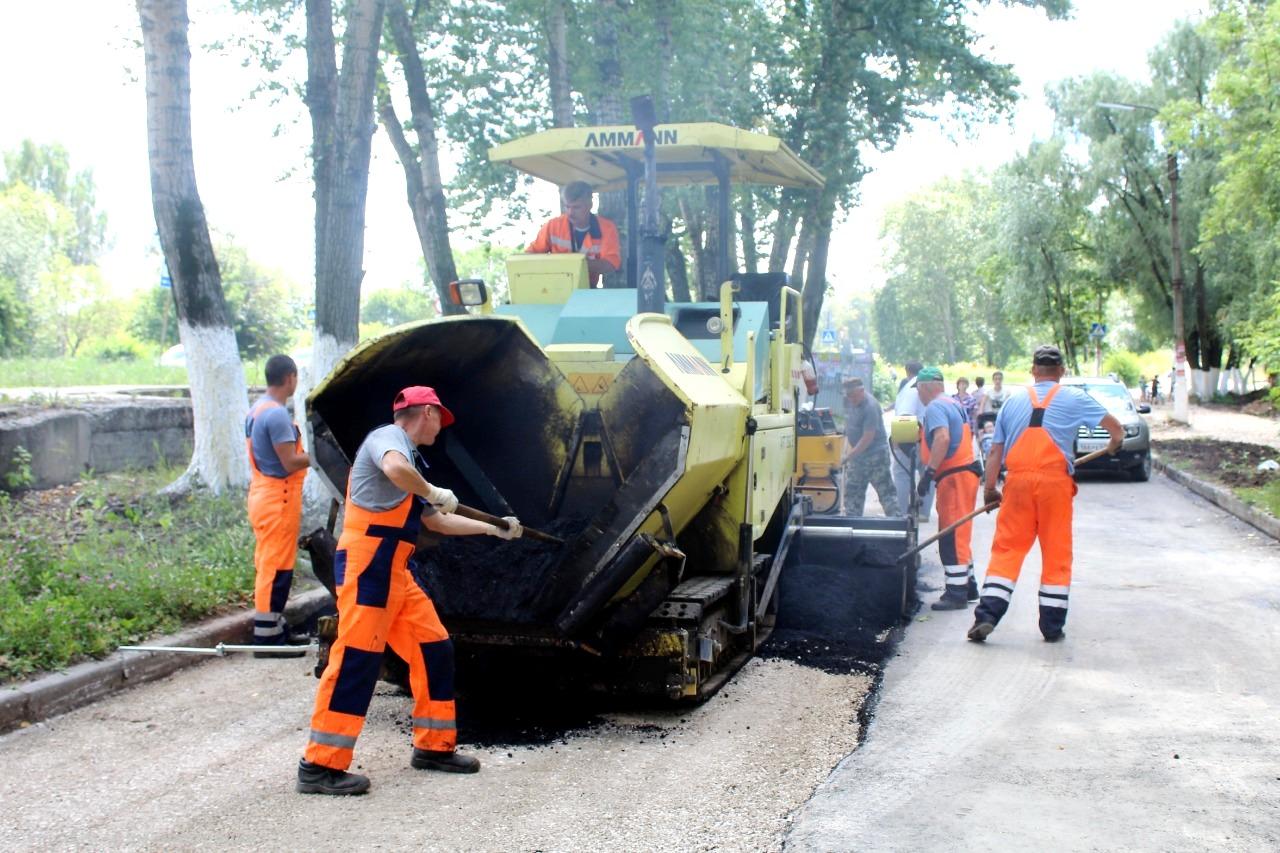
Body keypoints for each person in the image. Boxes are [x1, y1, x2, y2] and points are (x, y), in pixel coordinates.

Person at [298, 386, 523, 795]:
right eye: (441, 418)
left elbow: (436, 522)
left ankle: (434, 747)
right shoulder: (389, 438)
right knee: (357, 659)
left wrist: (494, 527)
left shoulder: (411, 460)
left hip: (395, 570)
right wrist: (431, 490)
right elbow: (396, 470)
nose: (442, 427)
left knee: (434, 647)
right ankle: (320, 764)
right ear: (427, 412)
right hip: (369, 566)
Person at [967, 346, 1123, 644]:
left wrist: (989, 490)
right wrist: (1115, 444)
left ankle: (987, 616)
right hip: (1054, 485)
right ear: (1061, 371)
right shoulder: (1075, 398)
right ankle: (1051, 627)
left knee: (1007, 550)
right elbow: (1115, 430)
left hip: (1017, 483)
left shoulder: (1013, 402)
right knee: (1056, 552)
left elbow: (995, 450)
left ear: (1033, 370)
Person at [244, 354, 311, 655]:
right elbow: (289, 462)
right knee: (276, 567)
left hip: (265, 494)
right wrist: (320, 457)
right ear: (290, 378)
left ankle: (275, 627)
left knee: (271, 564)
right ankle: (267, 637)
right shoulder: (276, 415)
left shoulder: (258, 409)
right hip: (278, 497)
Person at [915, 367, 982, 610]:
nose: (918, 396)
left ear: (925, 387)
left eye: (918, 390)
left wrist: (928, 472)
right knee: (959, 532)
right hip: (965, 474)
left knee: (951, 535)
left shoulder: (934, 407)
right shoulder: (953, 403)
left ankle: (956, 593)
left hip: (954, 477)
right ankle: (969, 585)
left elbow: (942, 438)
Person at [526, 180, 621, 286]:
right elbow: (530, 255)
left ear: (590, 205)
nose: (570, 212)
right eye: (567, 207)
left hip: (588, 290)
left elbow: (611, 264)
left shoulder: (607, 228)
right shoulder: (552, 226)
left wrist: (571, 264)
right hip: (552, 287)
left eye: (576, 207)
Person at [839, 377, 898, 516]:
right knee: (853, 493)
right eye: (848, 395)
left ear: (861, 391)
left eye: (853, 395)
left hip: (875, 456)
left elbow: (868, 437)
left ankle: (896, 524)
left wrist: (849, 456)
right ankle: (852, 525)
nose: (851, 399)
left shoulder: (870, 406)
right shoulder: (851, 401)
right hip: (859, 457)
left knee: (886, 492)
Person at [890, 361, 934, 520]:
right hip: (928, 435)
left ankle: (901, 512)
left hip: (912, 436)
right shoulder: (928, 385)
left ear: (907, 371)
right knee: (927, 473)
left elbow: (905, 415)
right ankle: (923, 511)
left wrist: (899, 441)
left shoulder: (911, 388)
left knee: (901, 473)